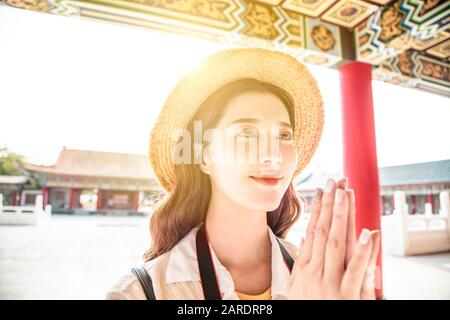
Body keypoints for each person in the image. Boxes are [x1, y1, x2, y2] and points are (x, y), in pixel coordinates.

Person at [106, 47, 380, 300]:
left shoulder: (324, 275)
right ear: (204, 156)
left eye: (284, 134)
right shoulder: (140, 292)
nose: (273, 154)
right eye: (247, 132)